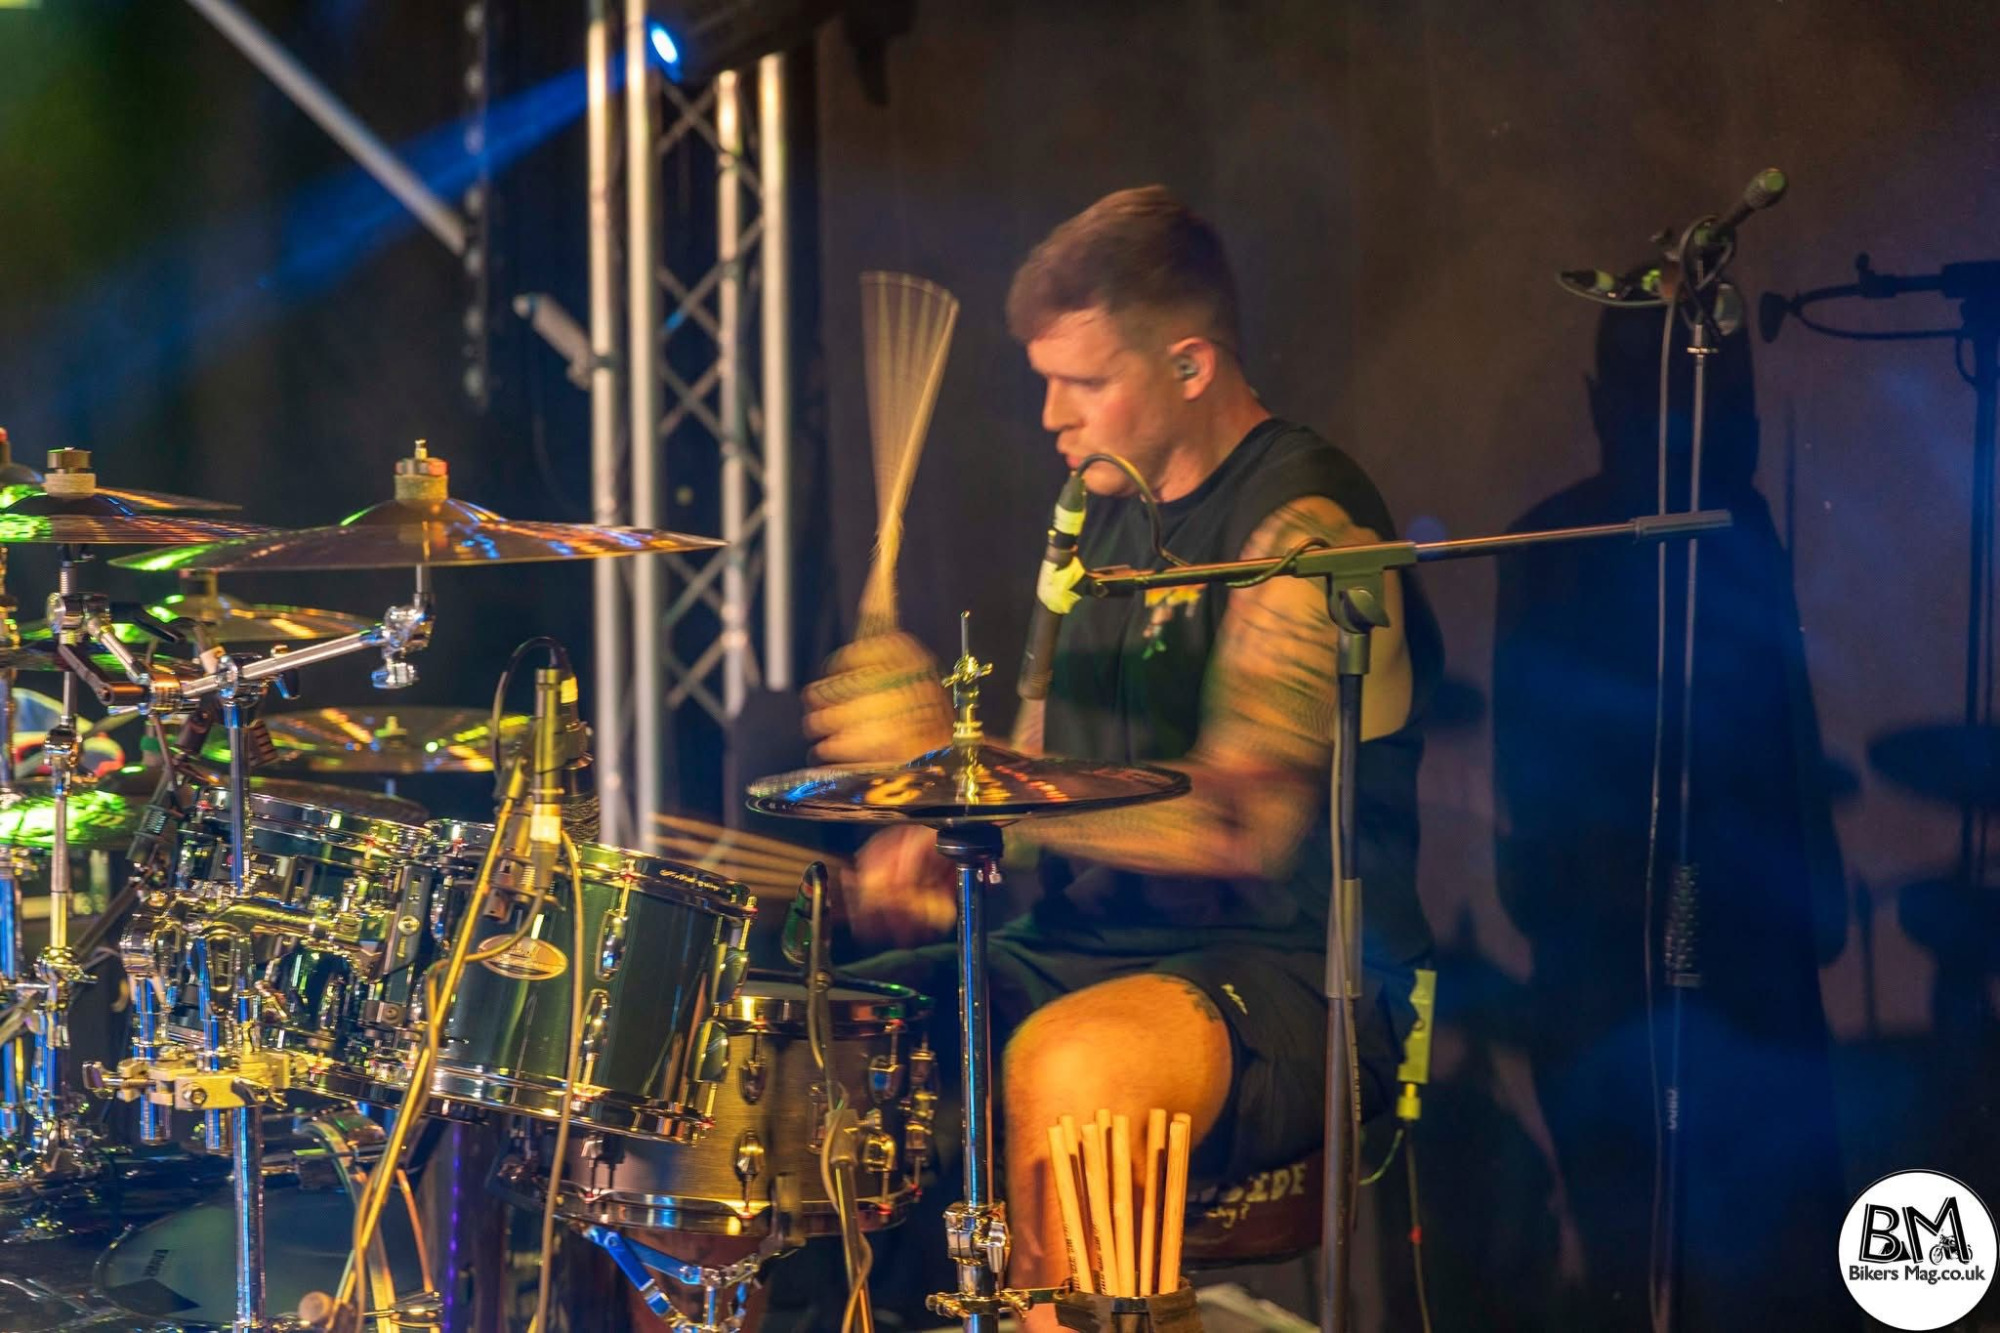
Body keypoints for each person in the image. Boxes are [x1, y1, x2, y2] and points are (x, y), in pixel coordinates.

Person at [804, 185, 1442, 1324]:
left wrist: (971, 776)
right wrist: (942, 834)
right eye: (1046, 380)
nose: (1052, 414)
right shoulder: (1101, 522)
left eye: (1085, 382)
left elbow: (1241, 826)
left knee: (1072, 1063)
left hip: (1294, 978)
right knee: (816, 1043)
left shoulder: (1306, 532)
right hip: (1084, 948)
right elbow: (1045, 778)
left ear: (1190, 364)